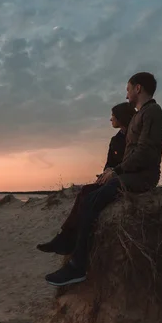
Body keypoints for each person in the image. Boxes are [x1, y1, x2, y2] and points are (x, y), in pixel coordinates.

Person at [43, 72, 162, 286]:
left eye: (128, 89)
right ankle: (66, 240)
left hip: (142, 177)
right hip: (129, 174)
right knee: (88, 192)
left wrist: (116, 171)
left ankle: (77, 267)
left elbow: (146, 151)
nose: (126, 94)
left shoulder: (153, 111)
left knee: (93, 201)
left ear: (138, 88)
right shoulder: (139, 114)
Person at [36, 102, 136, 255]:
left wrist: (114, 172)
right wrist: (105, 173)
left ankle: (71, 243)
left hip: (125, 180)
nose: (110, 119)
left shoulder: (134, 138)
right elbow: (109, 163)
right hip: (112, 179)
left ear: (121, 118)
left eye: (113, 116)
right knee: (85, 191)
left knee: (89, 198)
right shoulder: (115, 140)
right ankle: (64, 237)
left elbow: (133, 161)